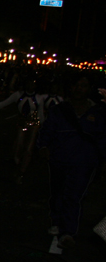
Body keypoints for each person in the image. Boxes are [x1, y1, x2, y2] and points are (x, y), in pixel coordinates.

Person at [37, 76, 106, 248]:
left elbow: (103, 138)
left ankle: (68, 231)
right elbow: (47, 130)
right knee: (58, 192)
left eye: (83, 86)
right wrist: (43, 146)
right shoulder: (60, 109)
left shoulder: (97, 112)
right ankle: (57, 220)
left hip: (84, 161)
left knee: (74, 195)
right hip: (60, 158)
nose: (79, 89)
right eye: (76, 85)